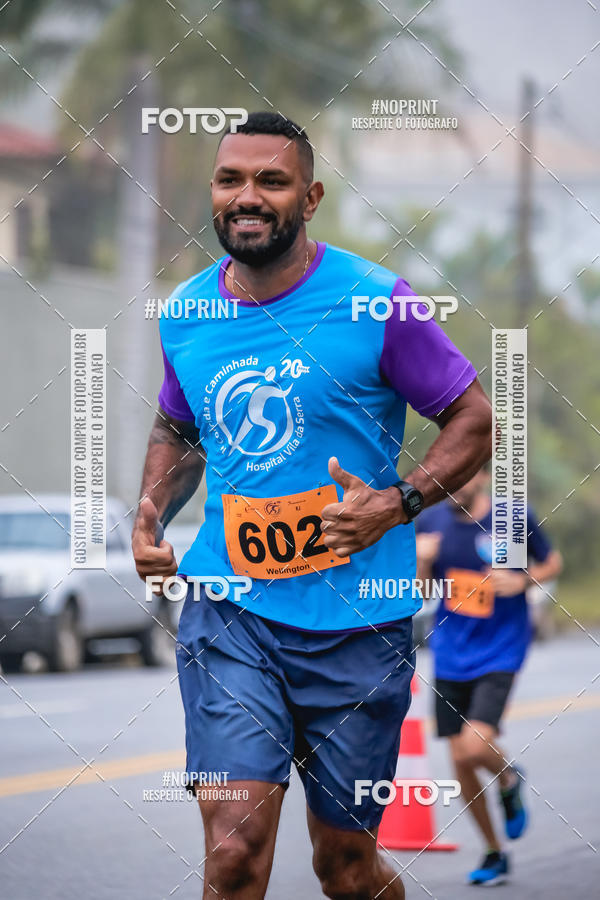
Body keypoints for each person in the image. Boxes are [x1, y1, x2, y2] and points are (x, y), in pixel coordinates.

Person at [132, 111, 492, 900]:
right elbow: (176, 425)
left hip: (360, 625)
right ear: (214, 191)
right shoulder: (188, 312)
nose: (247, 196)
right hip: (231, 613)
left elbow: (473, 417)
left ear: (311, 195)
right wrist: (149, 513)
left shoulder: (377, 302)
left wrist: (398, 503)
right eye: (231, 179)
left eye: (271, 179)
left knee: (346, 868)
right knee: (235, 853)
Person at [416, 465, 562, 886]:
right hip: (450, 652)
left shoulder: (513, 518)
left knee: (476, 743)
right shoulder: (431, 520)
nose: (453, 485)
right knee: (460, 759)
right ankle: (494, 852)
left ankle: (510, 777)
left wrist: (524, 582)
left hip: (501, 647)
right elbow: (424, 593)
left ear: (481, 473)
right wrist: (424, 564)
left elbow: (552, 562)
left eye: (462, 476)